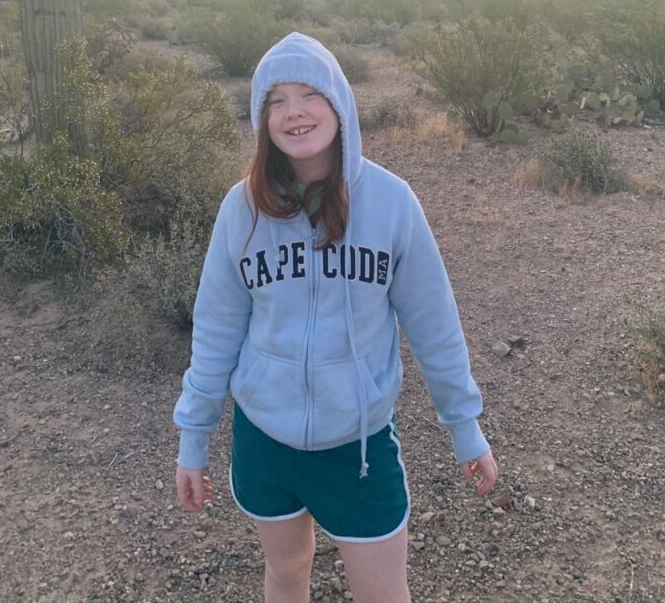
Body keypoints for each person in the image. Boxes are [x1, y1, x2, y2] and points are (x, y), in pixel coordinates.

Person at [174, 32, 497, 603]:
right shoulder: (241, 209)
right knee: (287, 572)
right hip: (264, 441)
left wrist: (465, 426)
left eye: (309, 94)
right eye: (277, 101)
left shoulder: (392, 203)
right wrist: (193, 436)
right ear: (261, 118)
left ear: (340, 103)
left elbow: (434, 324)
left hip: (358, 448)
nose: (295, 112)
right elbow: (217, 327)